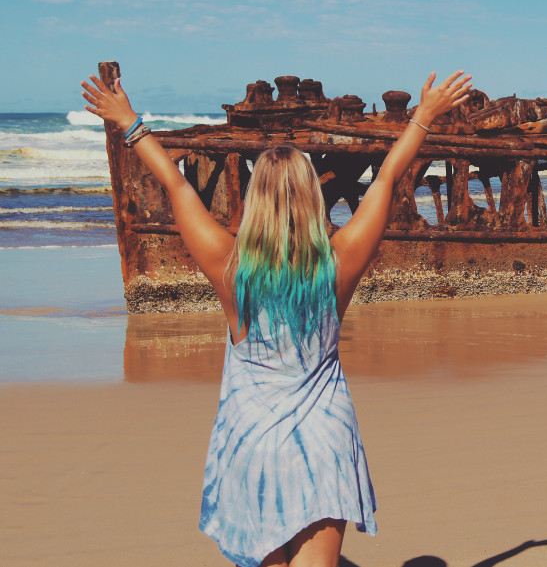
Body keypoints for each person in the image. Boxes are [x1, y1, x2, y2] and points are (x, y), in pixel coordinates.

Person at [81, 69, 472, 567]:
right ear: (313, 196)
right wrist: (425, 115)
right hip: (324, 439)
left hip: (255, 442)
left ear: (255, 200)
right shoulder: (339, 263)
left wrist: (128, 122)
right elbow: (389, 177)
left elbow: (177, 186)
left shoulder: (231, 268)